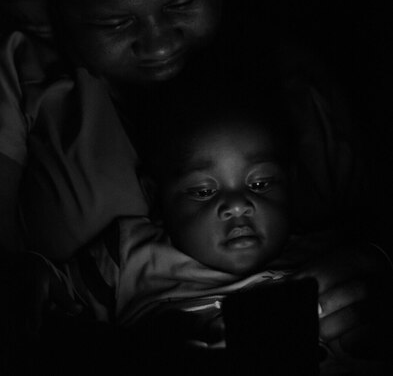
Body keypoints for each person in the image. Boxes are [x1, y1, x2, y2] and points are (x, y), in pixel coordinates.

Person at [0, 0, 391, 373]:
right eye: (114, 22)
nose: (158, 42)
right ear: (58, 14)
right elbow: (3, 288)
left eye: (182, 2)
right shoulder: (24, 73)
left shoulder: (284, 75)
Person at [22, 81, 388, 375]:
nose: (237, 204)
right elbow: (44, 305)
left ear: (290, 184)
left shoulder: (328, 249)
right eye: (202, 191)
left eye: (260, 184)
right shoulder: (129, 255)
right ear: (157, 196)